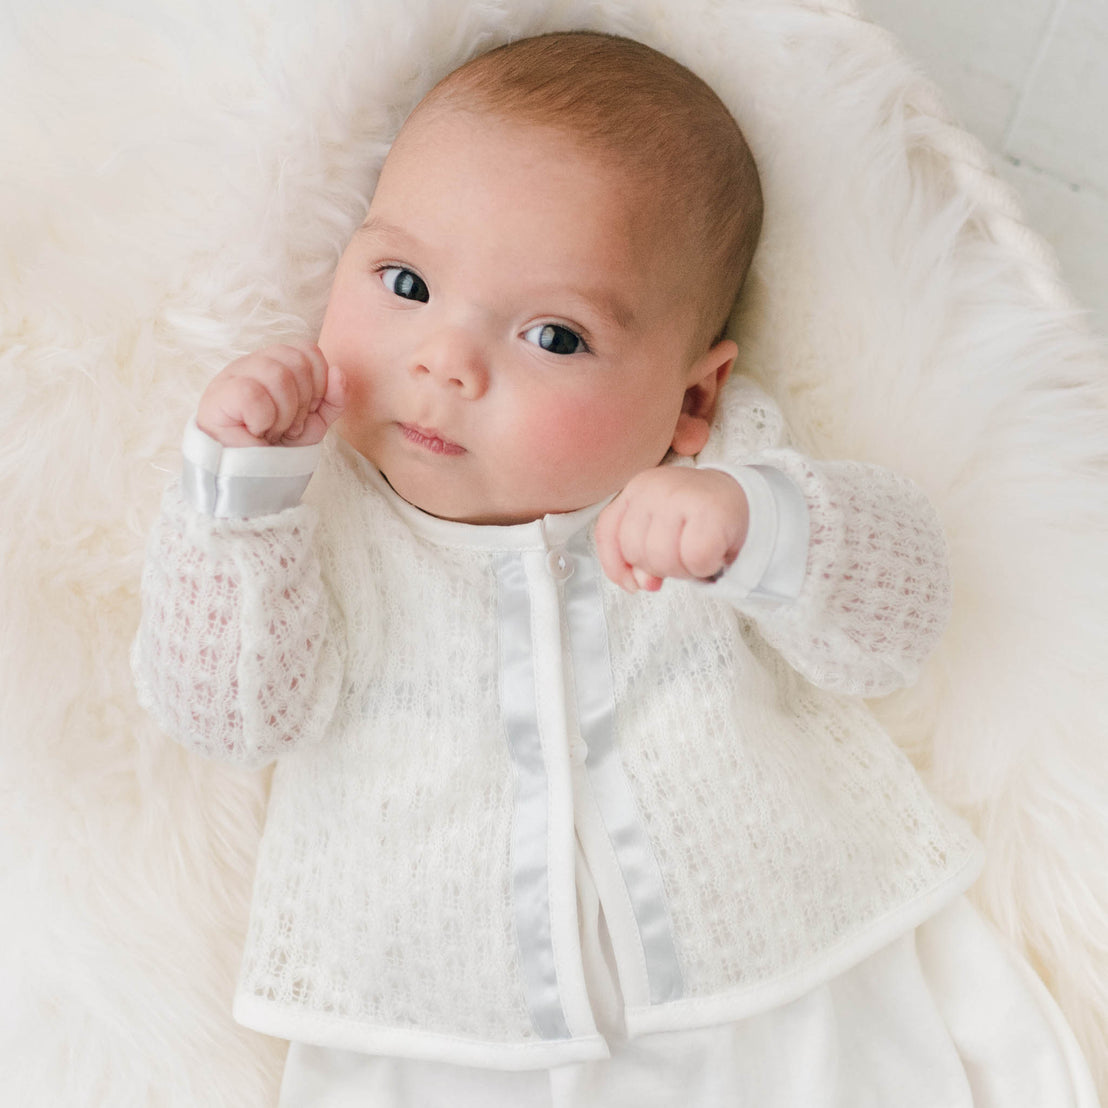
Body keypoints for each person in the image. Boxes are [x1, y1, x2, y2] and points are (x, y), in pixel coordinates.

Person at [132, 30, 1097, 1108]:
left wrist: (759, 530)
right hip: (427, 1022)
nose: (443, 360)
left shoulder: (721, 478)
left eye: (552, 336)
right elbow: (227, 717)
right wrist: (239, 501)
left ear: (690, 399)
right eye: (405, 281)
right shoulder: (319, 516)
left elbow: (896, 628)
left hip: (788, 975)